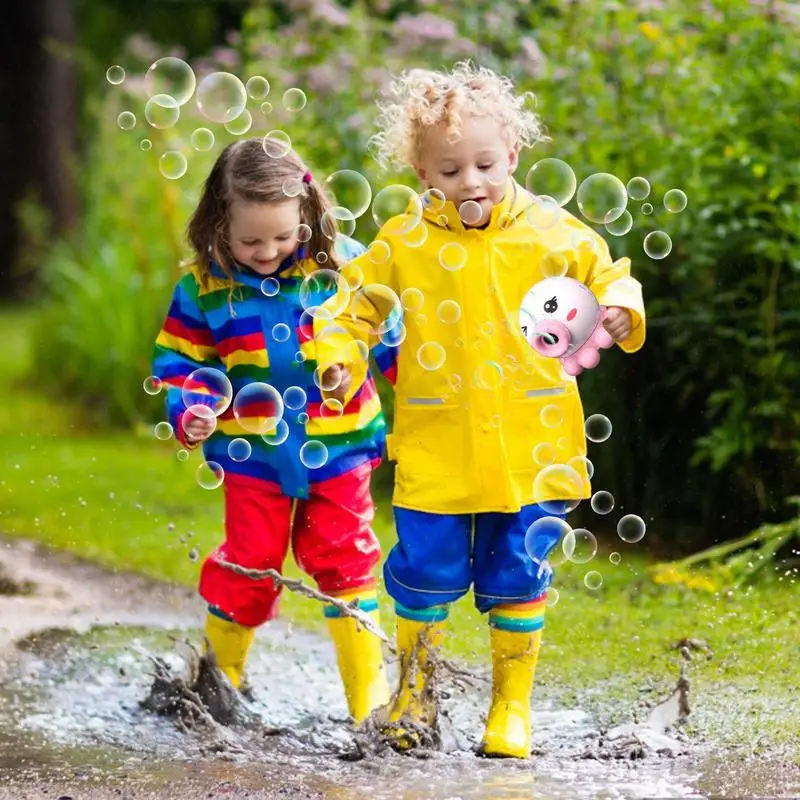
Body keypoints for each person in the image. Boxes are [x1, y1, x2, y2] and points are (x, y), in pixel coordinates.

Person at [314, 62, 646, 757]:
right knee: (424, 573)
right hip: (439, 445)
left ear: (514, 155)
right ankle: (415, 696)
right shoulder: (405, 243)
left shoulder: (555, 233)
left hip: (533, 447)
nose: (471, 182)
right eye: (450, 169)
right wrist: (338, 358)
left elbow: (608, 273)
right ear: (422, 172)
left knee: (520, 575)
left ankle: (510, 709)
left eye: (486, 164)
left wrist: (619, 307)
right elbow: (353, 305)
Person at [151, 137, 395, 724]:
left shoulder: (342, 268)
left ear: (306, 215)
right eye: (249, 240)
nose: (267, 252)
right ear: (218, 223)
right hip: (252, 455)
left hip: (338, 449)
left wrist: (408, 388)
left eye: (283, 237)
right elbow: (178, 367)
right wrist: (190, 408)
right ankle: (217, 689)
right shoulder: (203, 289)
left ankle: (371, 703)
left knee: (345, 560)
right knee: (250, 562)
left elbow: (386, 339)